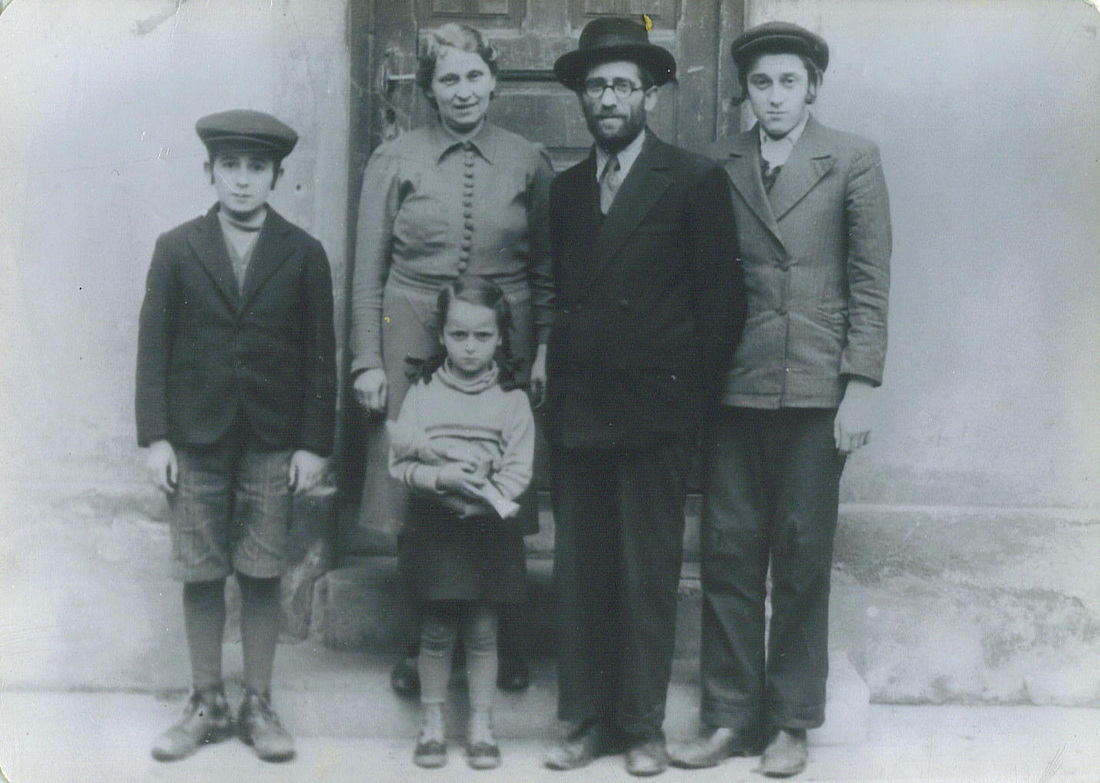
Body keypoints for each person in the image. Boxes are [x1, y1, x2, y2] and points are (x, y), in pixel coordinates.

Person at [669, 22, 892, 778]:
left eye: (788, 82)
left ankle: (793, 719)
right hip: (733, 385)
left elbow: (869, 280)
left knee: (800, 556)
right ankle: (730, 715)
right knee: (729, 553)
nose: (774, 97)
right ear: (746, 91)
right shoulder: (717, 163)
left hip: (814, 389)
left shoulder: (852, 159)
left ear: (813, 87)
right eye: (761, 83)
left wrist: (859, 384)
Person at [543, 16, 744, 777]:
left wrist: (684, 401)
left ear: (650, 93)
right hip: (581, 410)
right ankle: (588, 719)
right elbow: (560, 298)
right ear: (580, 97)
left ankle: (643, 725)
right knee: (583, 572)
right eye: (595, 85)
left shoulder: (692, 180)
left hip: (655, 411)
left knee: (646, 573)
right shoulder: (564, 190)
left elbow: (723, 308)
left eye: (624, 84)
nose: (608, 98)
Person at [350, 21, 552, 697]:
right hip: (411, 334)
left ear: (493, 79)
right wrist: (367, 361)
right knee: (426, 479)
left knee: (501, 475)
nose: (462, 92)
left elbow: (549, 270)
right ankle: (422, 637)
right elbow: (366, 272)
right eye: (447, 79)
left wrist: (545, 345)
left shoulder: (527, 159)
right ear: (429, 91)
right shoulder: (395, 158)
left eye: (473, 76)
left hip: (504, 339)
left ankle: (506, 634)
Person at [135, 109, 336, 763]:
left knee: (260, 568)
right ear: (210, 172)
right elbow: (153, 346)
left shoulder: (303, 254)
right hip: (194, 437)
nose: (243, 181)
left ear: (276, 175)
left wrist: (312, 443)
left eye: (257, 168)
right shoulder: (176, 247)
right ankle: (205, 701)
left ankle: (257, 700)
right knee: (200, 567)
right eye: (230, 167)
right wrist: (156, 437)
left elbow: (319, 355)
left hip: (272, 437)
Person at [388, 275, 536, 770]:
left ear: (500, 337)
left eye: (482, 336)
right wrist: (442, 477)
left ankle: (481, 726)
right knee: (435, 632)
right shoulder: (424, 392)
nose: (469, 348)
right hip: (436, 529)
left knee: (482, 632)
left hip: (489, 530)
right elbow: (401, 464)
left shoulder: (512, 399)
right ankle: (431, 726)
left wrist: (488, 500)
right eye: (458, 335)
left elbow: (518, 468)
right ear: (441, 334)